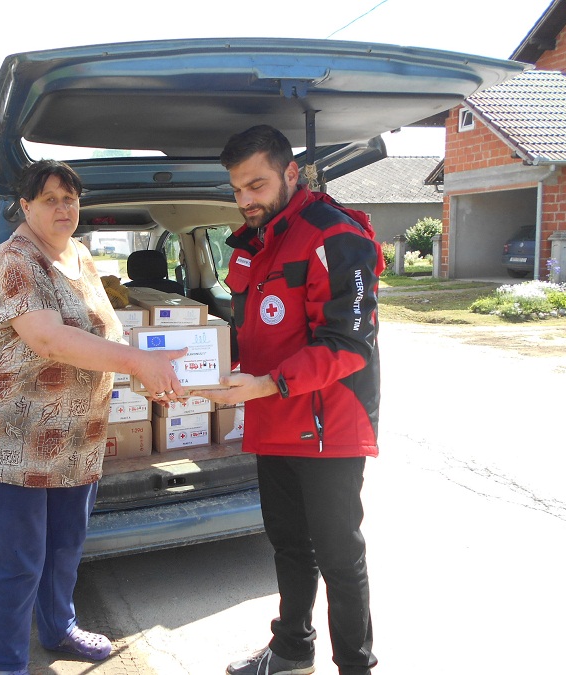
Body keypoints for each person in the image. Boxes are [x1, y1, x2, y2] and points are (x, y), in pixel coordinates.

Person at [0, 159, 186, 675]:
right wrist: (137, 363)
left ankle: (59, 628)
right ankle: (6, 664)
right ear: (25, 206)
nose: (63, 208)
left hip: (75, 436)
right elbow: (50, 339)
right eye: (50, 199)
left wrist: (148, 377)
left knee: (63, 548)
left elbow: (104, 334)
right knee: (16, 563)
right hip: (9, 438)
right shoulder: (16, 259)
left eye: (71, 199)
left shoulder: (79, 254)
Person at [204, 125, 383, 675]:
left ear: (290, 173)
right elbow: (255, 335)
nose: (245, 200)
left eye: (256, 185)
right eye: (237, 189)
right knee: (287, 546)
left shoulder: (333, 235)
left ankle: (355, 665)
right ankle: (291, 651)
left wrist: (265, 384)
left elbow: (349, 344)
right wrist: (203, 369)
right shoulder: (254, 242)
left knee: (338, 556)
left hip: (330, 426)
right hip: (272, 420)